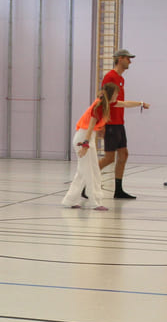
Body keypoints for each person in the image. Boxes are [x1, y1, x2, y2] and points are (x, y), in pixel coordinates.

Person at [97, 49, 150, 200]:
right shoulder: (110, 77)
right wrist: (102, 124)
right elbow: (104, 101)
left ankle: (118, 189)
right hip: (111, 123)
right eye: (128, 59)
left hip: (120, 123)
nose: (130, 62)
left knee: (124, 154)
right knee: (108, 158)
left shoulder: (121, 79)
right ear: (120, 59)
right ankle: (85, 183)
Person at [61, 82, 119, 211]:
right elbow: (91, 126)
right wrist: (86, 144)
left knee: (83, 171)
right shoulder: (98, 106)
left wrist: (141, 104)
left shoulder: (105, 104)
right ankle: (95, 202)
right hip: (83, 138)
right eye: (116, 93)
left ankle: (69, 200)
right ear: (110, 94)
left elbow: (124, 104)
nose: (117, 95)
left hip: (87, 137)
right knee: (90, 172)